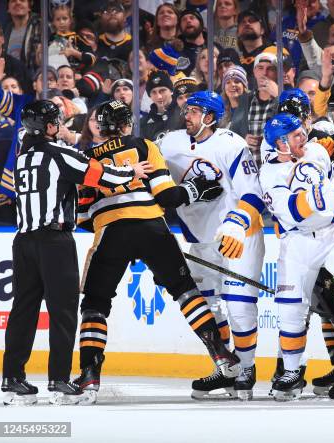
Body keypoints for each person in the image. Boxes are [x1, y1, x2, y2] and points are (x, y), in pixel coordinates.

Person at [74, 100, 239, 404]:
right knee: (185, 291)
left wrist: (114, 227)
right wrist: (194, 189)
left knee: (95, 304)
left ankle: (89, 375)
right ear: (127, 125)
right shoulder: (143, 145)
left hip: (110, 231)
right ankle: (221, 353)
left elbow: (82, 217)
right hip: (153, 227)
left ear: (100, 126)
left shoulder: (85, 159)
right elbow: (167, 195)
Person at [1, 99, 149, 405]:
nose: (60, 126)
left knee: (23, 311)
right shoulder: (57, 153)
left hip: (23, 241)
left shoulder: (22, 156)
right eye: (56, 121)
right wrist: (130, 170)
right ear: (48, 126)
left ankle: (12, 378)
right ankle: (58, 380)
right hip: (53, 242)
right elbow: (101, 175)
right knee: (64, 311)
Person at [160, 91, 265, 400]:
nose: (187, 115)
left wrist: (236, 224)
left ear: (210, 116)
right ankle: (227, 368)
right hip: (199, 240)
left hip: (236, 236)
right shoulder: (171, 142)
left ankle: (246, 367)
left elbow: (254, 193)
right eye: (187, 110)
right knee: (208, 306)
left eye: (194, 110)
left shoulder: (231, 144)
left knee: (239, 305)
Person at [260, 112, 334, 401]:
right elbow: (295, 211)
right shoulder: (269, 174)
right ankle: (291, 371)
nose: (304, 138)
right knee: (290, 306)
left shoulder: (317, 150)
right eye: (296, 135)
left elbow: (332, 181)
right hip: (298, 242)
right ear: (280, 143)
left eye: (303, 132)